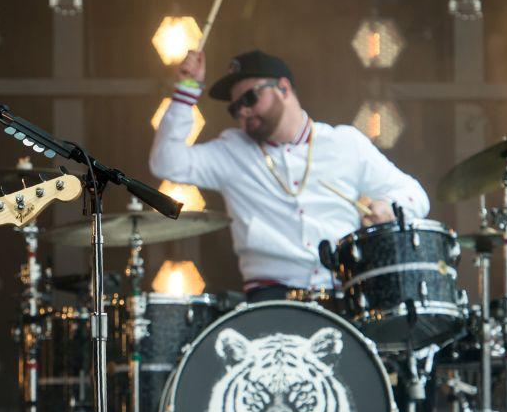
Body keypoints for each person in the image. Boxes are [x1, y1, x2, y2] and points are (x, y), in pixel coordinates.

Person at [149, 49, 429, 302]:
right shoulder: (231, 151)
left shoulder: (345, 143)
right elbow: (166, 163)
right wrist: (186, 90)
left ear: (283, 88)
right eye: (235, 108)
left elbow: (416, 196)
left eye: (250, 98)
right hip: (270, 298)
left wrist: (388, 208)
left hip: (345, 294)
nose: (243, 111)